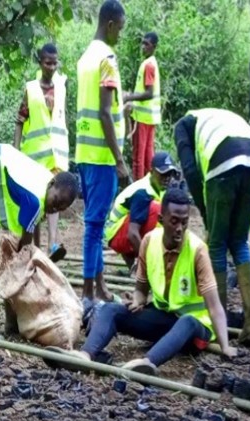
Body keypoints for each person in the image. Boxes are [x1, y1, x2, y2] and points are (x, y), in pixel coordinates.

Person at [61, 187, 235, 374]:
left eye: (184, 222)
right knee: (110, 309)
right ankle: (85, 356)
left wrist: (225, 346)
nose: (179, 228)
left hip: (195, 329)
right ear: (161, 220)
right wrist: (137, 300)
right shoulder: (149, 242)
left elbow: (215, 306)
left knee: (187, 321)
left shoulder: (197, 250)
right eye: (174, 221)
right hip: (165, 321)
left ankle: (146, 363)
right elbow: (141, 289)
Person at [0, 143, 81, 337]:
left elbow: (23, 244)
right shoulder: (34, 199)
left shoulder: (44, 186)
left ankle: (12, 324)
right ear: (52, 185)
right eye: (56, 201)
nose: (55, 209)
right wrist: (32, 263)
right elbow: (25, 243)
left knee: (14, 260)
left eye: (60, 208)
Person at [174, 108, 250, 342]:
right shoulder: (213, 117)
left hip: (224, 159)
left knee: (216, 245)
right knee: (239, 241)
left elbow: (191, 171)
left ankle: (217, 325)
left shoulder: (183, 126)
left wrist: (205, 213)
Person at [75, 1, 130, 305]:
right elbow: (104, 113)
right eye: (119, 29)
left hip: (84, 153)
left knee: (93, 223)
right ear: (110, 25)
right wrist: (119, 160)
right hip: (102, 158)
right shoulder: (107, 58)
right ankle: (87, 293)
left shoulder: (86, 57)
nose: (119, 35)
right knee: (95, 226)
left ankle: (98, 285)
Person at [14, 43, 69, 253]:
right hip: (35, 157)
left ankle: (52, 244)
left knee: (56, 199)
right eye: (48, 63)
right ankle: (35, 248)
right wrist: (16, 151)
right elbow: (20, 120)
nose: (52, 67)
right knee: (37, 201)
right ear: (40, 63)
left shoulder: (62, 86)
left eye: (55, 63)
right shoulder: (31, 89)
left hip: (57, 155)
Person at [104, 151, 179, 267]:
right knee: (156, 210)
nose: (167, 178)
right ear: (152, 172)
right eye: (163, 174)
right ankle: (142, 263)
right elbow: (132, 234)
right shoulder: (143, 193)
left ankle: (136, 264)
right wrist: (149, 263)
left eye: (170, 174)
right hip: (116, 234)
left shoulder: (161, 189)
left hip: (124, 230)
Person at [123, 32, 162, 181]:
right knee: (148, 156)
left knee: (139, 157)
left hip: (143, 118)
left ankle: (138, 188)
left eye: (146, 44)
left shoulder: (149, 65)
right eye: (142, 43)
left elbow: (149, 93)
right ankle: (149, 186)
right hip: (150, 118)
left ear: (154, 47)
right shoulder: (150, 63)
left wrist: (129, 97)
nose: (143, 47)